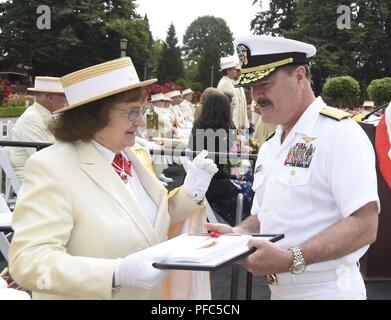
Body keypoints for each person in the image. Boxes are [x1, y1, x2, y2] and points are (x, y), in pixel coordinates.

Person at [9, 57, 218, 300]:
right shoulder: (51, 166)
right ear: (92, 115)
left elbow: (149, 222)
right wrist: (114, 274)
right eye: (132, 112)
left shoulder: (131, 155)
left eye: (142, 110)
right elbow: (28, 262)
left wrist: (191, 193)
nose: (141, 121)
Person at [206, 35, 380, 300]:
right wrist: (239, 234)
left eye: (265, 84)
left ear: (299, 76)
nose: (256, 97)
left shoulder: (339, 133)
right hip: (280, 290)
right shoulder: (271, 145)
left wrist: (291, 258)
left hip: (327, 290)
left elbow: (365, 224)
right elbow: (265, 216)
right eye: (252, 87)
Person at [189, 92, 252, 226]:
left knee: (249, 177)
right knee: (250, 187)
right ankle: (244, 226)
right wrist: (234, 176)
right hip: (211, 184)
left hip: (198, 180)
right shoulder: (220, 134)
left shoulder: (199, 126)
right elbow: (216, 168)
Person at [9, 77, 67, 181]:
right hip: (32, 176)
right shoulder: (31, 119)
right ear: (50, 98)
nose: (67, 100)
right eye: (64, 96)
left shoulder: (42, 115)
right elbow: (42, 158)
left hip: (42, 172)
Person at [217, 56, 248, 129]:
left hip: (238, 123)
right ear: (228, 71)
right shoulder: (224, 84)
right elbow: (225, 108)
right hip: (231, 124)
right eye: (234, 69)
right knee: (232, 140)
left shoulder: (232, 83)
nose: (235, 71)